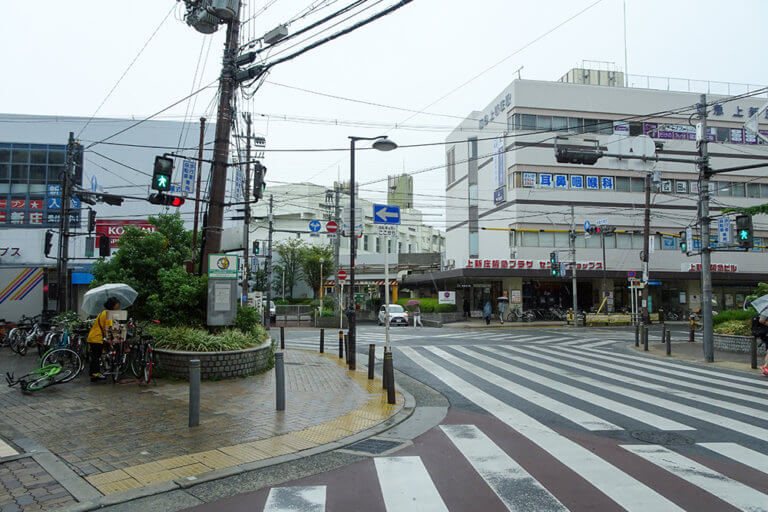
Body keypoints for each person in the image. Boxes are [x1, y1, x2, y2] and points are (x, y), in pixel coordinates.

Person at [87, 297, 120, 383]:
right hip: (97, 338)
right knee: (96, 356)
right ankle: (96, 374)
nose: (117, 307)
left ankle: (93, 375)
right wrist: (114, 337)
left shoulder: (103, 312)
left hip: (92, 336)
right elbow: (108, 328)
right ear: (112, 306)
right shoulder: (108, 314)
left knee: (94, 356)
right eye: (117, 306)